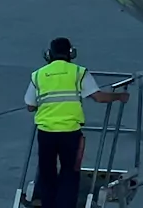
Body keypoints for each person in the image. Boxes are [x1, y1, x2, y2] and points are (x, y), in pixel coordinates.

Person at [25, 37, 127, 208]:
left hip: (46, 132)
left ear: (48, 54)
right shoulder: (78, 72)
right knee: (69, 172)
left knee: (47, 172)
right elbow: (99, 97)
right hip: (70, 132)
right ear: (71, 53)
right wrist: (119, 96)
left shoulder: (38, 75)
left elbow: (30, 106)